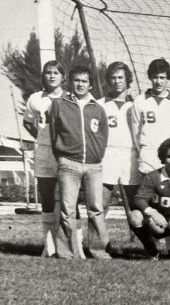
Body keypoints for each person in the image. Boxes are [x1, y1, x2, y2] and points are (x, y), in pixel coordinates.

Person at [48, 65, 111, 259]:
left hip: (93, 166)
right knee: (67, 210)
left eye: (84, 81)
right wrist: (62, 157)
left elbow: (103, 135)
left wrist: (96, 155)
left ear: (90, 84)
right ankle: (66, 252)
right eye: (77, 80)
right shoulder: (59, 104)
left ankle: (98, 251)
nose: (80, 84)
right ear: (70, 82)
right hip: (69, 164)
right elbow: (53, 133)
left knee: (96, 209)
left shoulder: (98, 108)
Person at [23, 60, 65, 257]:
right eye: (48, 72)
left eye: (56, 72)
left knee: (68, 201)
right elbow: (28, 122)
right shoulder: (35, 99)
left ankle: (72, 244)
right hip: (44, 153)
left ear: (63, 76)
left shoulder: (70, 98)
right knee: (47, 199)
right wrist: (41, 137)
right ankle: (49, 245)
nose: (52, 76)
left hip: (66, 154)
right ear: (44, 76)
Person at [132, 58, 170, 176]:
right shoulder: (139, 101)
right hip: (148, 157)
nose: (158, 81)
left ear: (168, 79)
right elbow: (136, 133)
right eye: (155, 77)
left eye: (162, 78)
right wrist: (144, 150)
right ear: (150, 77)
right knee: (148, 193)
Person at [100, 62, 141, 213]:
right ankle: (96, 237)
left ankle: (136, 237)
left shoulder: (137, 105)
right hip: (107, 155)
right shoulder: (99, 105)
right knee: (100, 204)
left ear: (127, 80)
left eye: (120, 77)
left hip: (130, 156)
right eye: (113, 78)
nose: (117, 81)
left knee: (135, 206)